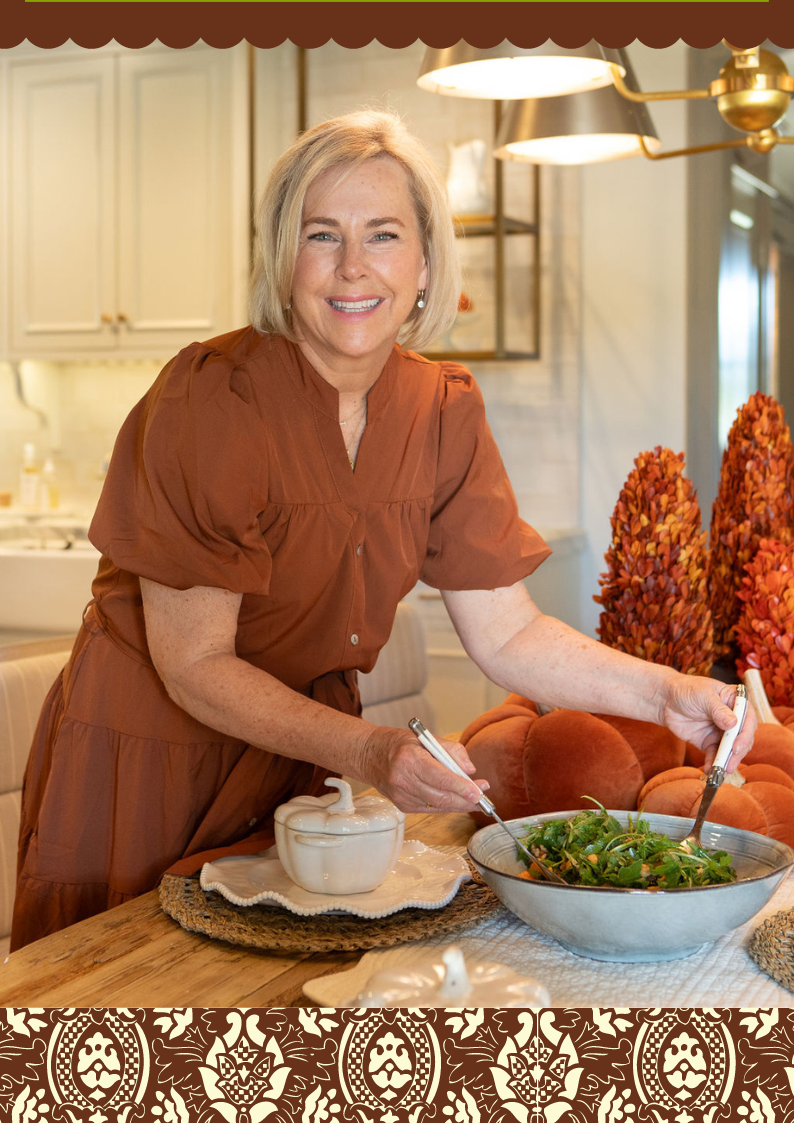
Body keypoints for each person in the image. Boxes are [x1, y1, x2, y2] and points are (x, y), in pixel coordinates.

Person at [11, 109, 755, 951]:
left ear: (427, 262)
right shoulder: (210, 400)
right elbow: (193, 664)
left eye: (385, 235)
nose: (353, 267)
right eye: (321, 234)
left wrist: (669, 694)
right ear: (283, 259)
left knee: (288, 1012)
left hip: (299, 759)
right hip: (148, 760)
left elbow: (507, 629)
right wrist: (372, 753)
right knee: (122, 1017)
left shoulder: (442, 410)